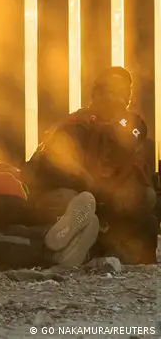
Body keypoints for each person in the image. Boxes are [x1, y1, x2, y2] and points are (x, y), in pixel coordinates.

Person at [24, 67, 157, 264]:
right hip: (58, 194)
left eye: (121, 94)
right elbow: (52, 171)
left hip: (103, 202)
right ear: (96, 94)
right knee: (74, 201)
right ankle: (62, 243)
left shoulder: (129, 129)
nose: (115, 98)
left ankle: (88, 248)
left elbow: (139, 183)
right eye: (110, 91)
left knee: (143, 199)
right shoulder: (75, 125)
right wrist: (94, 188)